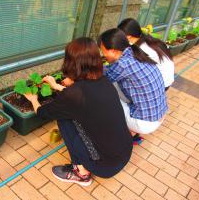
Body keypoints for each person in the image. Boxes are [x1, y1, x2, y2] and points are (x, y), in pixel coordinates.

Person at [24, 37, 133, 186]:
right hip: (124, 153)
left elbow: (43, 113)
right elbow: (81, 98)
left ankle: (81, 174)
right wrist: (56, 86)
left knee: (64, 119)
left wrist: (33, 100)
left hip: (105, 166)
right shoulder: (104, 81)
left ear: (70, 62)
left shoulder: (75, 94)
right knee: (72, 114)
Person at [98, 28, 168, 136]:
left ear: (113, 51)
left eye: (103, 51)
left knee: (104, 97)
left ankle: (116, 134)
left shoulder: (122, 64)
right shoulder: (135, 51)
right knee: (115, 85)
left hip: (144, 123)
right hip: (159, 115)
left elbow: (100, 79)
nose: (103, 54)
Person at [118, 18, 174, 90]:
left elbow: (134, 70)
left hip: (162, 82)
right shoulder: (146, 39)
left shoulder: (142, 48)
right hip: (167, 77)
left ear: (128, 36)